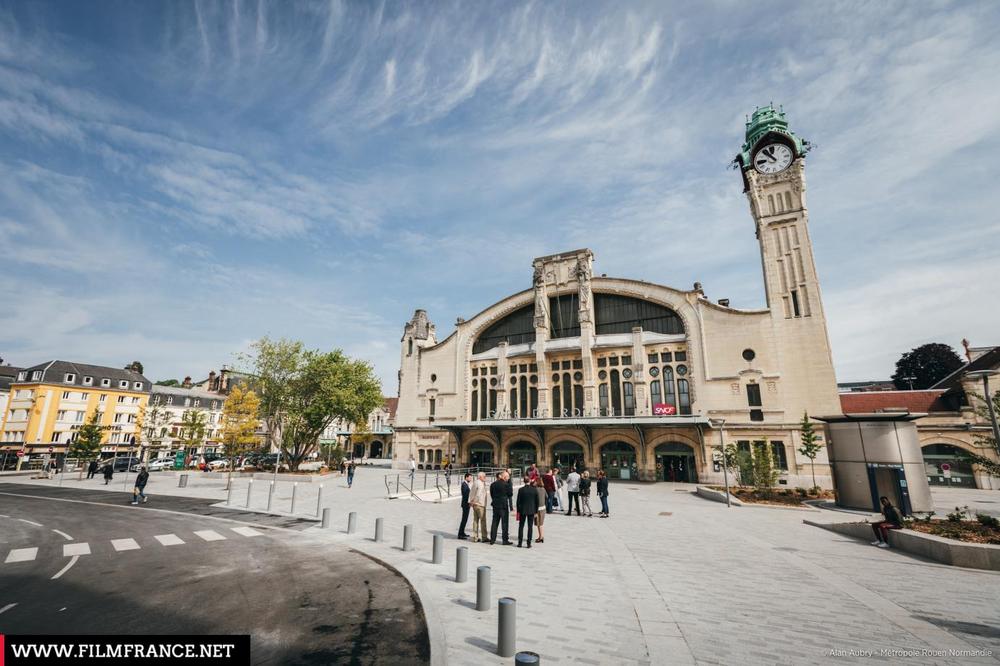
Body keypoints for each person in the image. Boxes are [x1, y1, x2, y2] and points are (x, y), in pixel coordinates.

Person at [489, 471, 513, 545]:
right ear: (505, 477)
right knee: (504, 523)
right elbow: (510, 494)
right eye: (508, 477)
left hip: (495, 505)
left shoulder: (493, 484)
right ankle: (505, 540)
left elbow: (492, 494)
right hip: (503, 506)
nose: (508, 478)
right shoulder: (506, 485)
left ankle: (492, 539)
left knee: (495, 522)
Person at [516, 477, 540, 548]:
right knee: (530, 527)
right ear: (529, 481)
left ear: (524, 481)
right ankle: (528, 543)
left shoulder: (521, 490)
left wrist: (518, 511)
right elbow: (537, 502)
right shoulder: (534, 490)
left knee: (521, 526)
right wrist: (536, 511)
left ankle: (520, 543)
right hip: (531, 510)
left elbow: (518, 502)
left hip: (522, 510)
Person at [470, 472, 489, 543]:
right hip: (480, 504)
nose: (485, 478)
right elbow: (478, 495)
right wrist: (474, 501)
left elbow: (471, 492)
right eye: (484, 477)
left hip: (475, 505)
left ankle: (475, 537)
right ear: (480, 477)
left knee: (475, 521)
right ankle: (484, 537)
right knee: (483, 521)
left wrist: (471, 502)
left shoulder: (475, 482)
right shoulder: (480, 484)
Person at [458, 473, 472, 539]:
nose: (471, 479)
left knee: (465, 519)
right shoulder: (464, 484)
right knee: (464, 519)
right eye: (469, 477)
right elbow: (465, 494)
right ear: (466, 477)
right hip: (465, 504)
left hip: (467, 504)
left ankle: (462, 532)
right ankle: (460, 534)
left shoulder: (466, 484)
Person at [534, 475, 547, 543]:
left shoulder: (535, 489)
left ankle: (541, 537)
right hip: (543, 508)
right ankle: (541, 536)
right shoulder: (543, 489)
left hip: (537, 509)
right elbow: (546, 497)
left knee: (538, 524)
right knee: (540, 523)